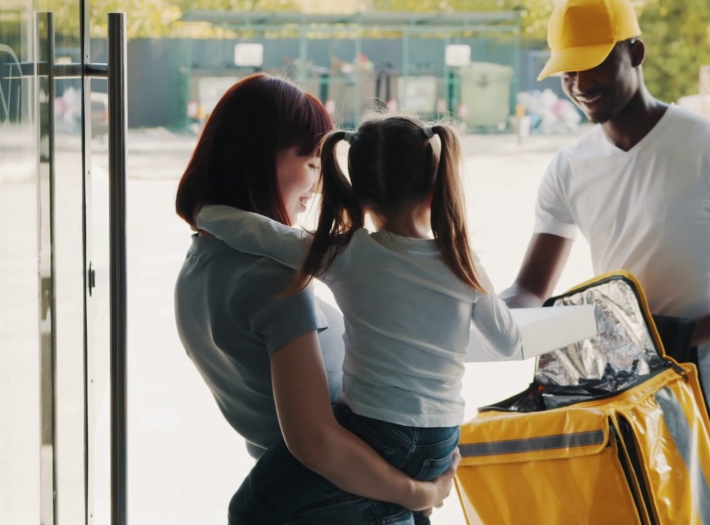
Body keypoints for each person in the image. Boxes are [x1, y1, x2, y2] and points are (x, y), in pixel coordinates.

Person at [501, 0, 710, 482]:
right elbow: (528, 290)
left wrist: (685, 336)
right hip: (618, 403)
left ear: (635, 52)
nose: (578, 83)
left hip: (703, 405)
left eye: (592, 63)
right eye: (567, 71)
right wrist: (479, 313)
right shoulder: (570, 166)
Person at [198, 114, 523, 524]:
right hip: (442, 442)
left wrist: (205, 212)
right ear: (433, 187)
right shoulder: (461, 262)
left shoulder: (348, 254)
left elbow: (263, 234)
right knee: (402, 504)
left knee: (251, 509)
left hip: (377, 433)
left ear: (359, 194)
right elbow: (508, 342)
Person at [172, 75, 458, 524]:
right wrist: (421, 492)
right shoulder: (274, 281)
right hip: (349, 496)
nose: (320, 183)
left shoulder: (200, 262)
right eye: (310, 163)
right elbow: (316, 443)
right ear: (260, 161)